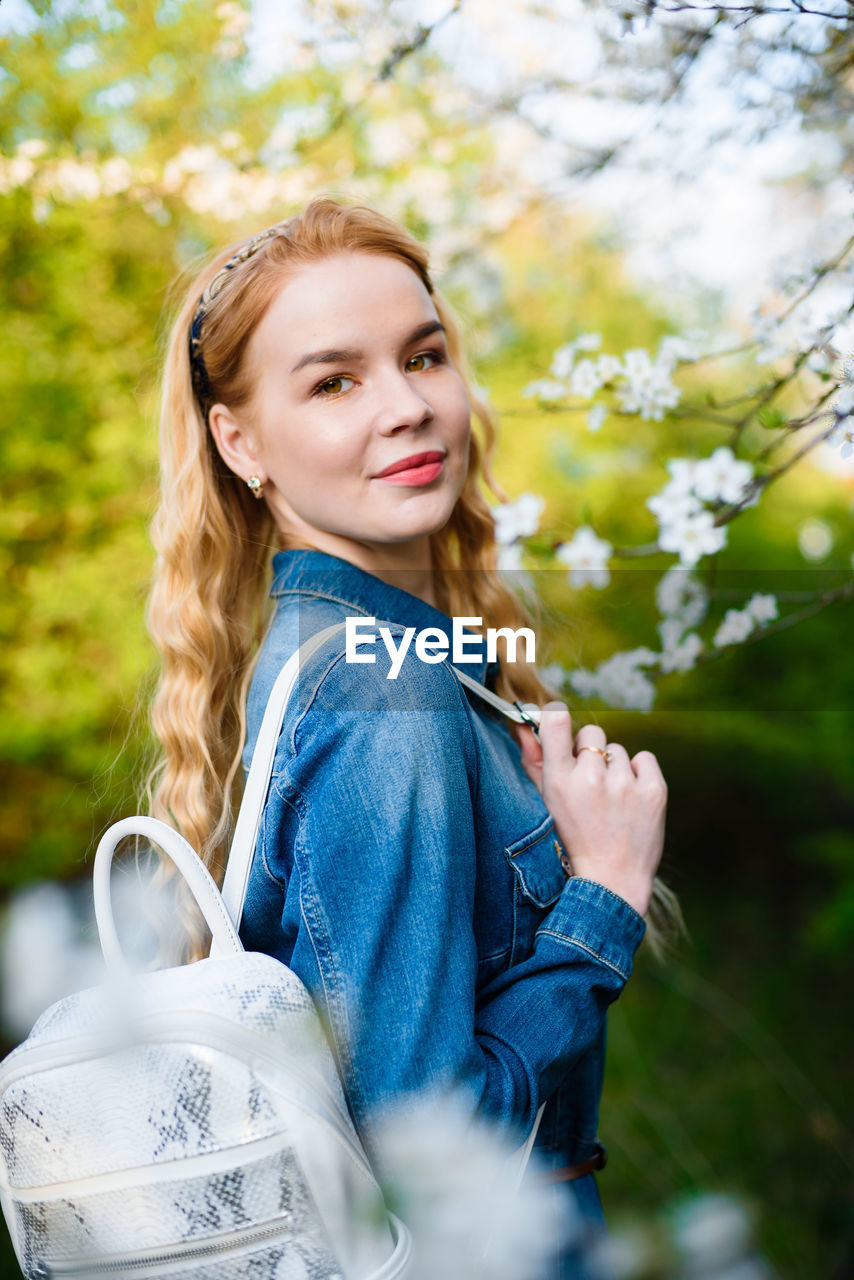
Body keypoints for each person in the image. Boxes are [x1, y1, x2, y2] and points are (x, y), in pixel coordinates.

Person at [144, 194, 682, 1278]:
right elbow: (425, 1153)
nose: (406, 406)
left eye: (423, 357)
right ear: (239, 440)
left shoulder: (374, 655)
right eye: (334, 380)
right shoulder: (375, 690)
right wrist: (606, 893)